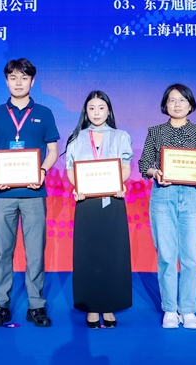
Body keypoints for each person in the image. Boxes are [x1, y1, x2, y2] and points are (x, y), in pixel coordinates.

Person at [0, 58, 60, 328]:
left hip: (34, 193)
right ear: (6, 81)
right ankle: (0, 304)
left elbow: (53, 151)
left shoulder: (44, 113)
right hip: (3, 194)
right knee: (3, 252)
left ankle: (36, 305)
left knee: (35, 252)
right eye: (13, 78)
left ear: (32, 81)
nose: (18, 83)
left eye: (24, 78)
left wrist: (43, 171)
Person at [138, 84, 196, 329]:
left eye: (182, 100)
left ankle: (188, 309)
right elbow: (144, 164)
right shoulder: (155, 132)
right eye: (172, 100)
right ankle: (170, 309)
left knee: (190, 258)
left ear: (190, 105)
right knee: (166, 256)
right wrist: (155, 172)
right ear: (165, 105)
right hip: (163, 195)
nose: (177, 104)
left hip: (192, 196)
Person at [65, 91, 133, 329]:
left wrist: (119, 183)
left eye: (101, 108)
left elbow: (125, 167)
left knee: (112, 254)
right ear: (86, 111)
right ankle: (92, 307)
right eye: (91, 108)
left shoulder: (121, 136)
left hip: (113, 201)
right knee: (89, 255)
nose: (96, 112)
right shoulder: (76, 137)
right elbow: (71, 169)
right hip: (86, 202)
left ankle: (109, 305)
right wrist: (78, 187)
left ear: (109, 110)